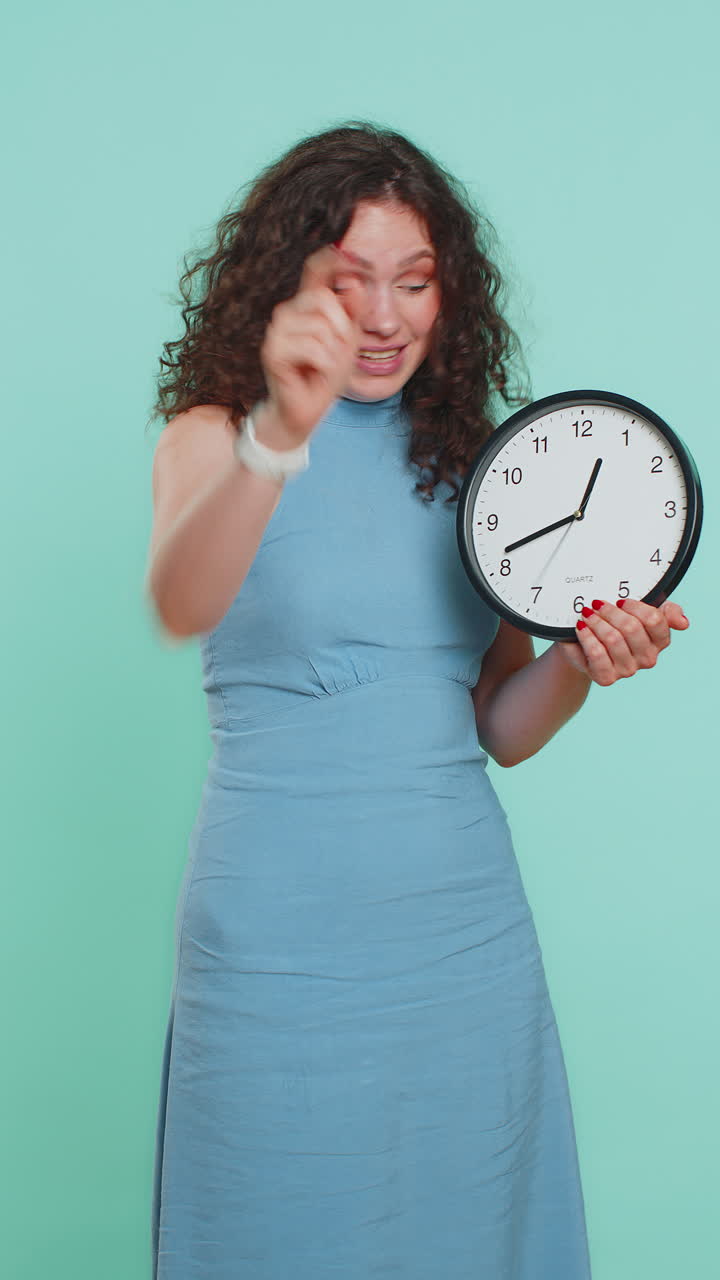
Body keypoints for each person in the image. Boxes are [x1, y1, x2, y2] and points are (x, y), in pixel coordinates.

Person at [145, 121, 689, 1280]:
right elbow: (183, 600)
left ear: (452, 290)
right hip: (273, 932)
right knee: (269, 1221)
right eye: (349, 284)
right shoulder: (212, 436)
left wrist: (582, 666)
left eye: (416, 281)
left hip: (460, 934)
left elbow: (498, 723)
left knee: (467, 1227)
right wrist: (279, 437)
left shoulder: (478, 464)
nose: (386, 316)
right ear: (286, 288)